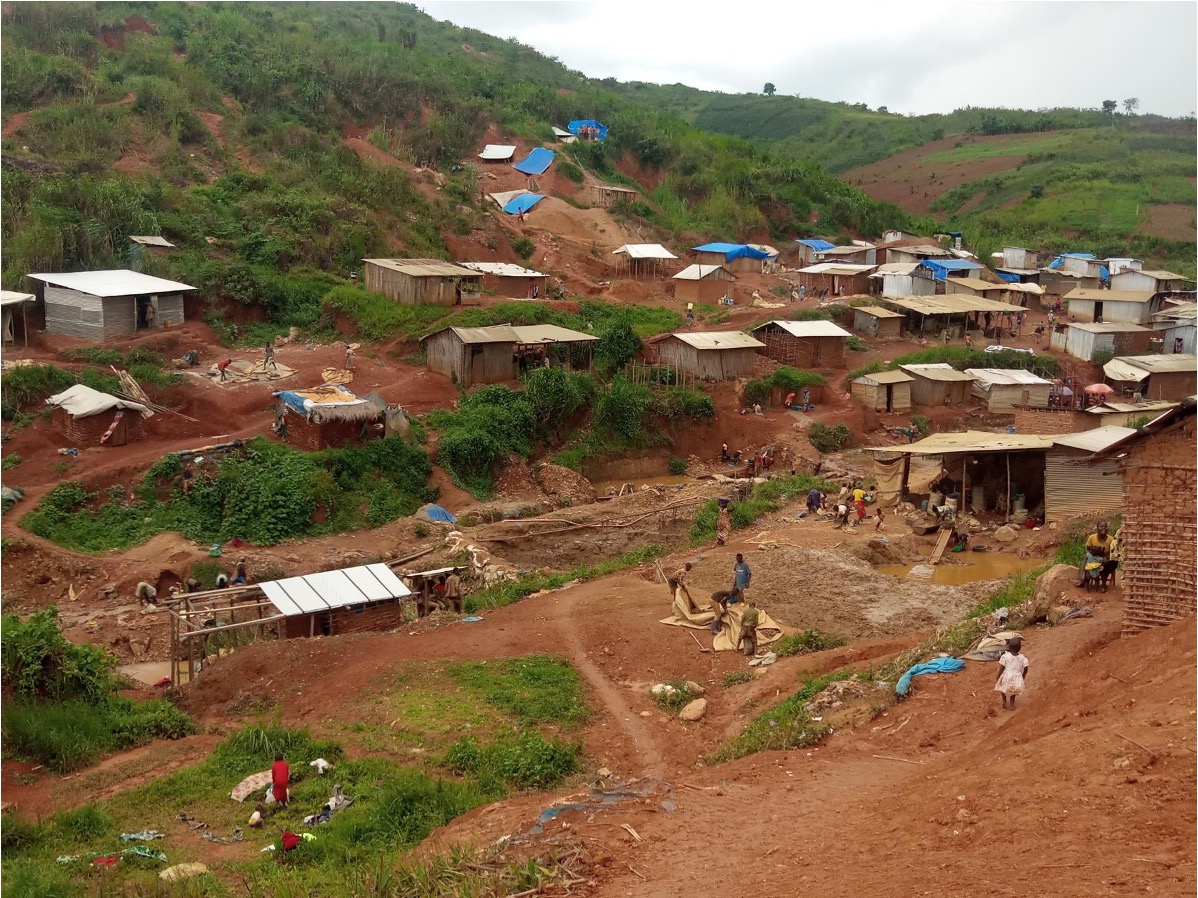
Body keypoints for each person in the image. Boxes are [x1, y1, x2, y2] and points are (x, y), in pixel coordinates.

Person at [1076, 521, 1116, 588]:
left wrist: (1105, 556)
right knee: (1086, 557)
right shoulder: (1092, 537)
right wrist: (1094, 552)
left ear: (1107, 528)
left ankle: (1103, 584)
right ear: (1097, 528)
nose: (1103, 528)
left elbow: (1113, 552)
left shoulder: (1110, 539)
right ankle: (1082, 580)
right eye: (1101, 526)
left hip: (1105, 558)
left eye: (1105, 526)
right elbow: (1088, 548)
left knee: (1107, 563)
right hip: (1094, 557)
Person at [994, 636, 1029, 711]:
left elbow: (1002, 667)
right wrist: (1023, 675)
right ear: (1020, 648)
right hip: (1016, 677)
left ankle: (1004, 700)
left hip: (1006, 676)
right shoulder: (1022, 658)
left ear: (1009, 647)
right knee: (1013, 691)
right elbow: (1026, 667)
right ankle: (1011, 704)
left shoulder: (1005, 656)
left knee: (1001, 687)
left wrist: (998, 676)